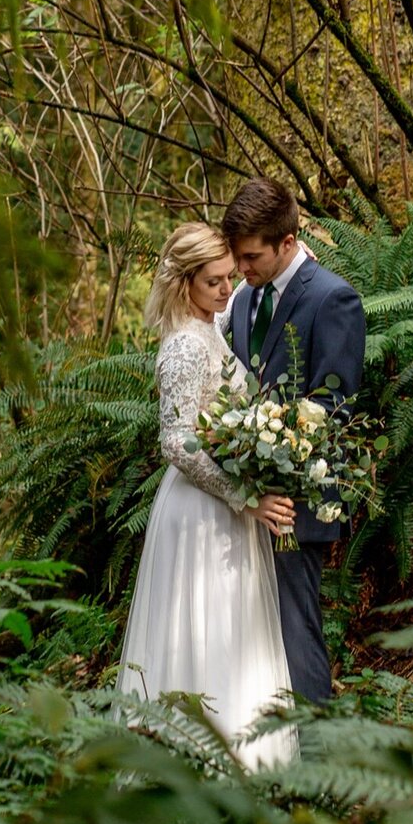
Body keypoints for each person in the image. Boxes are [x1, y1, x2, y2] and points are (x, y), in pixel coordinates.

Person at [115, 221, 298, 769]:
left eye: (228, 277)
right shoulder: (183, 350)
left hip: (226, 504)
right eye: (215, 280)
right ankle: (193, 759)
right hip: (201, 510)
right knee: (203, 625)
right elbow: (177, 443)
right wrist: (244, 495)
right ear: (184, 282)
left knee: (235, 629)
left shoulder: (210, 328)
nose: (228, 288)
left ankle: (244, 758)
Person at [221, 178, 366, 702]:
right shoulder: (242, 301)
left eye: (252, 256)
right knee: (251, 630)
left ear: (288, 242)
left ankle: (316, 751)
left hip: (299, 500)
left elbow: (334, 407)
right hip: (248, 498)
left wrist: (277, 448)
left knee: (294, 625)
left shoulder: (333, 298)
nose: (242, 268)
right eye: (237, 258)